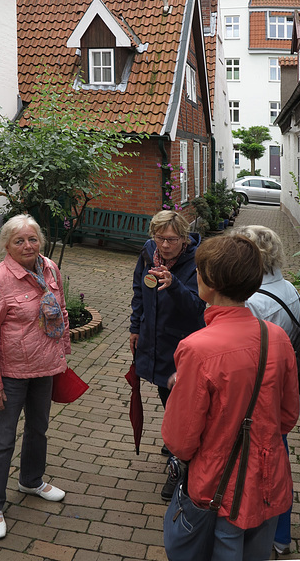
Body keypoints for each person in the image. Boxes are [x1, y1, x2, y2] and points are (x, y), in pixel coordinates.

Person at [162, 235, 299, 561]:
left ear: (209, 283)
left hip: (217, 486)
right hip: (268, 482)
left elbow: (180, 441)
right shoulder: (276, 337)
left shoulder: (198, 348)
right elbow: (288, 416)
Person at [0, 214, 70, 540]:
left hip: (44, 367)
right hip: (12, 373)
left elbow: (61, 311)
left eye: (32, 239)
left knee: (38, 429)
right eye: (19, 241)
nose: (27, 245)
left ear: (40, 241)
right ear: (6, 245)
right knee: (2, 440)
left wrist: (62, 356)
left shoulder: (49, 269)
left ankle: (31, 481)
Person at [235, 224, 300, 555]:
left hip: (261, 401)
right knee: (280, 458)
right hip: (285, 395)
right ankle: (281, 533)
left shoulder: (253, 301)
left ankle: (266, 533)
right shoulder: (290, 289)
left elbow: (244, 360)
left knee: (265, 469)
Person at [129, 210, 206, 499]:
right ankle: (177, 441)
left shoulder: (198, 262)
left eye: (171, 239)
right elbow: (139, 289)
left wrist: (173, 285)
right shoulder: (149, 253)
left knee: (183, 401)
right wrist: (135, 326)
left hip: (183, 342)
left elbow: (198, 306)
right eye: (159, 238)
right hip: (154, 338)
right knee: (165, 391)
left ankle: (180, 464)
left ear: (185, 238)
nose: (164, 245)